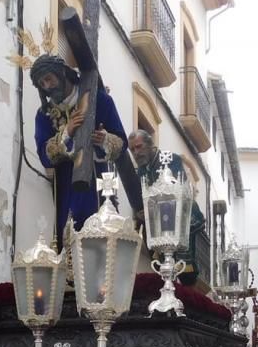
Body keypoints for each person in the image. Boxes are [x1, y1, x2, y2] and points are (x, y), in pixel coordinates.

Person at [32, 54, 127, 249]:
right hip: (67, 191)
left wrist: (104, 140)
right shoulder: (44, 115)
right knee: (70, 246)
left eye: (49, 78)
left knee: (103, 246)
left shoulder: (100, 101)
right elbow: (44, 155)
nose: (47, 86)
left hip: (99, 188)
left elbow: (121, 142)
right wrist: (66, 133)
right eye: (42, 83)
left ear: (61, 73)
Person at [128, 129, 206, 283]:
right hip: (161, 227)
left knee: (185, 271)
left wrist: (153, 210)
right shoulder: (141, 171)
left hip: (183, 220)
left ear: (150, 145)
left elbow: (178, 191)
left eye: (139, 147)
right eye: (132, 150)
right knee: (165, 270)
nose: (136, 153)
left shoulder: (171, 159)